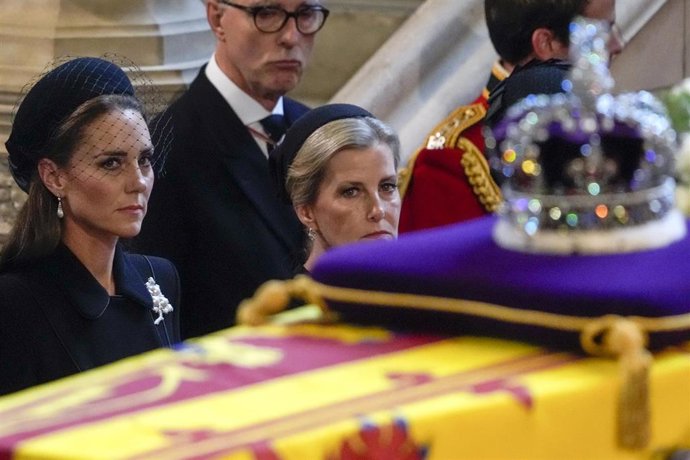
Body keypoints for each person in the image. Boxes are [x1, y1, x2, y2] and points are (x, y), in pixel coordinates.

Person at [135, 0, 330, 339]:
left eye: (305, 15)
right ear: (217, 17)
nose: (290, 36)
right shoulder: (167, 150)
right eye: (266, 14)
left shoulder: (317, 131)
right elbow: (157, 320)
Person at [0, 57, 181, 397]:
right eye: (111, 163)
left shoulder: (160, 279)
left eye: (144, 160)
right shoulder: (15, 302)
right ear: (54, 176)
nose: (138, 182)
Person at [399, 0, 623, 233]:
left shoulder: (610, 124)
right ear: (545, 43)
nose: (618, 45)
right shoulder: (454, 161)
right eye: (602, 33)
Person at [269, 103, 402, 273]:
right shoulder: (296, 299)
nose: (378, 210)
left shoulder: (427, 293)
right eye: (351, 192)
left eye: (387, 186)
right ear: (306, 212)